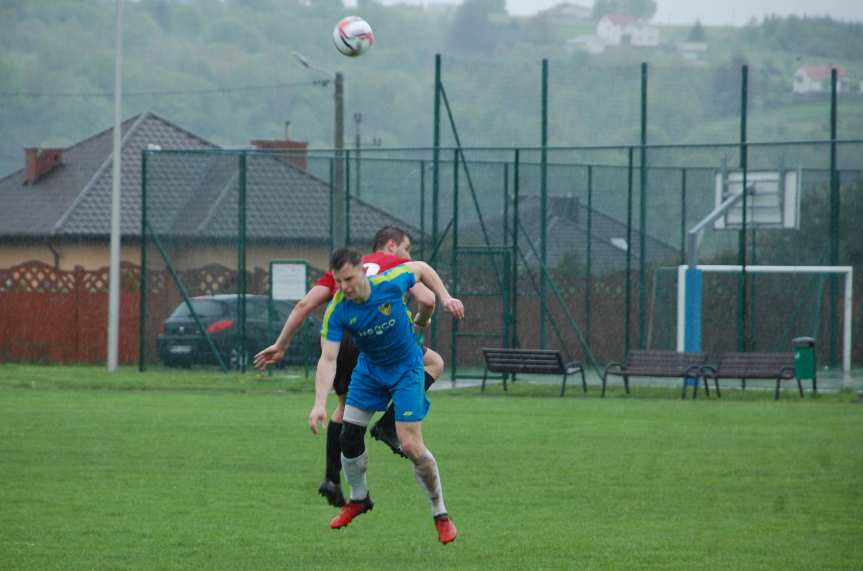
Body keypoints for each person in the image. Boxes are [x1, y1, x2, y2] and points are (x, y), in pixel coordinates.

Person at [253, 227, 445, 507]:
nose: (408, 254)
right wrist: (420, 326)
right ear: (392, 246)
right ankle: (389, 426)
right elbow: (427, 299)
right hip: (374, 342)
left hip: (341, 341)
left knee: (344, 411)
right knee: (434, 362)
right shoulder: (394, 267)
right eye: (407, 248)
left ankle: (332, 478)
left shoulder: (341, 270)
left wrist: (281, 345)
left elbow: (305, 304)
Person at [310, 247, 464, 544]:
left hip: (407, 369)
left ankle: (440, 513)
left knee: (410, 445)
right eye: (338, 281)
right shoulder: (338, 309)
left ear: (361, 270)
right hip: (369, 371)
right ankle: (359, 499)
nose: (343, 287)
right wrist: (319, 403)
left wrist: (446, 298)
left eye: (348, 279)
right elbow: (327, 359)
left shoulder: (390, 283)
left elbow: (421, 267)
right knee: (348, 436)